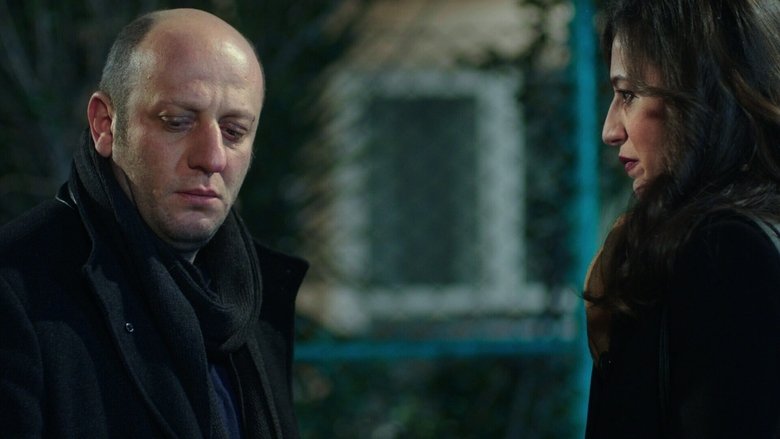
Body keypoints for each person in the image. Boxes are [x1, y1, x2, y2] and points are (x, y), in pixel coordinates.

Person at [0, 8, 308, 438]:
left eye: (235, 131)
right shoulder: (16, 292)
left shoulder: (254, 299)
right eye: (177, 122)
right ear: (105, 125)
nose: (212, 157)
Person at [584, 0, 780, 437]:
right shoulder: (712, 238)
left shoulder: (721, 250)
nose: (610, 130)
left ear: (700, 96)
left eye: (628, 94)